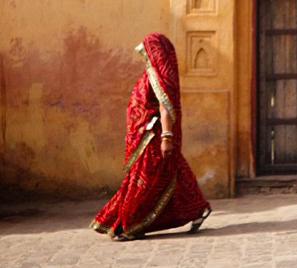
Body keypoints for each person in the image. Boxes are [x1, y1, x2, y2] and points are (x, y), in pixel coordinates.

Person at [90, 32, 211, 240]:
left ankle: (131, 224)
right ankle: (198, 208)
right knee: (176, 173)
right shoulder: (155, 74)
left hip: (153, 139)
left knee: (145, 182)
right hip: (146, 137)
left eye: (147, 51)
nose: (144, 55)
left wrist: (166, 137)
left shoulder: (161, 78)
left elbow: (166, 108)